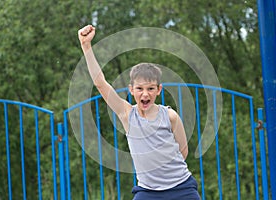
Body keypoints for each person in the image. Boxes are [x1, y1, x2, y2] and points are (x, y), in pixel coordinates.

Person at [78, 25, 201, 200]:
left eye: (151, 88)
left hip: (181, 188)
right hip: (147, 192)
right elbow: (100, 83)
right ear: (131, 90)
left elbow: (183, 151)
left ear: (159, 90)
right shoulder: (127, 114)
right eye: (140, 89)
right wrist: (86, 46)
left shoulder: (170, 116)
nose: (145, 94)